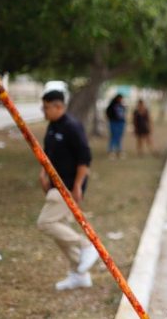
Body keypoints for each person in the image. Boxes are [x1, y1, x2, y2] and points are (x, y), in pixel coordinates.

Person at [38, 90, 99, 290]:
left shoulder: (72, 127)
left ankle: (86, 245)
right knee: (59, 232)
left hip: (68, 187)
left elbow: (85, 159)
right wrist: (43, 173)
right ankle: (79, 274)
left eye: (46, 107)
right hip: (55, 185)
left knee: (46, 223)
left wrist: (78, 186)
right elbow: (48, 155)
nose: (43, 111)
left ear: (58, 106)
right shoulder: (52, 126)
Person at [106, 94, 127, 159]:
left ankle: (119, 150)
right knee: (114, 136)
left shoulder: (121, 106)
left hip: (121, 123)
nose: (120, 100)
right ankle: (111, 150)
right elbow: (108, 113)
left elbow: (123, 113)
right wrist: (111, 118)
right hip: (114, 122)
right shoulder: (112, 106)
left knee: (119, 136)